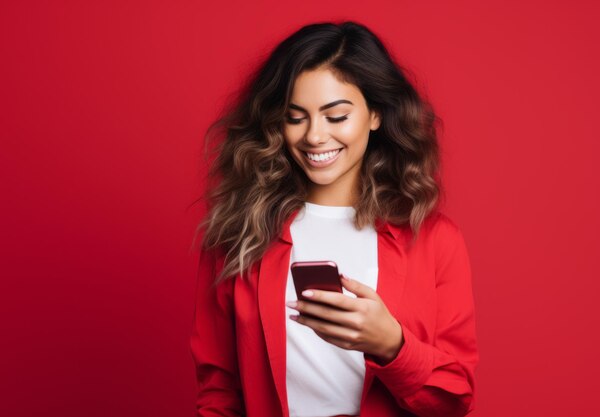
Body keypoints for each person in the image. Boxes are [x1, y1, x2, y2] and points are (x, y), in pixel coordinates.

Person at [190, 20, 479, 417]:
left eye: (336, 116)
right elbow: (219, 390)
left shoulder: (434, 240)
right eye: (295, 117)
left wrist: (392, 345)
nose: (314, 136)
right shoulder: (238, 237)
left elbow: (453, 399)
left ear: (375, 114)